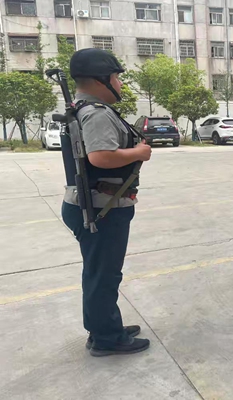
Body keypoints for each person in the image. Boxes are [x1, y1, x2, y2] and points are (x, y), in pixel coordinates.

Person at [61, 48, 152, 356]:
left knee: (99, 272)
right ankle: (106, 338)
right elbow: (100, 157)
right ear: (101, 80)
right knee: (104, 274)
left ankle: (104, 326)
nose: (120, 83)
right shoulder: (97, 113)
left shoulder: (82, 108)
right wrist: (139, 153)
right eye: (116, 77)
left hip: (96, 204)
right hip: (101, 208)